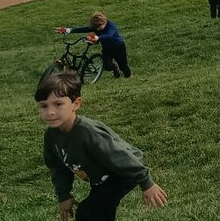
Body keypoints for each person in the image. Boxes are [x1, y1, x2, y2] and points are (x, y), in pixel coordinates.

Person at [37, 71, 167, 221]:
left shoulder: (89, 133)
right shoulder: (51, 136)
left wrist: (146, 183)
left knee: (89, 212)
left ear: (76, 104)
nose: (50, 112)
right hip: (102, 178)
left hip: (122, 172)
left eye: (58, 104)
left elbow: (121, 156)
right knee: (100, 212)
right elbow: (58, 168)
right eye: (43, 106)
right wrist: (64, 196)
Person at [59, 13, 130, 79]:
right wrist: (68, 30)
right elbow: (83, 29)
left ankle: (128, 76)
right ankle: (114, 67)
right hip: (107, 49)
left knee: (123, 66)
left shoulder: (111, 26)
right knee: (107, 65)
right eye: (96, 27)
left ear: (104, 22)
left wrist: (98, 37)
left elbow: (109, 35)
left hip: (118, 47)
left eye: (99, 26)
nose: (97, 29)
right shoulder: (96, 27)